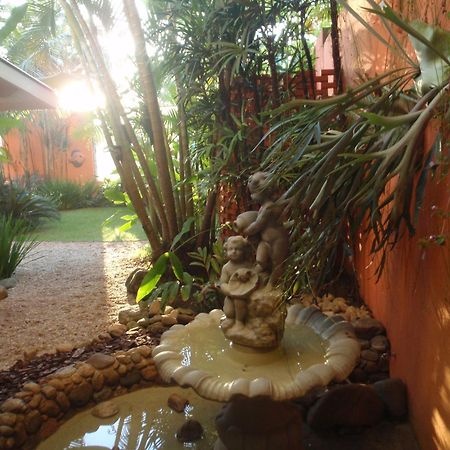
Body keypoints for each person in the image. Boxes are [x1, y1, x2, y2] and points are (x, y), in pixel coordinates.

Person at [241, 171, 289, 285]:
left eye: (253, 193)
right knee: (260, 260)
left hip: (277, 240)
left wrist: (245, 231)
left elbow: (258, 225)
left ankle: (271, 285)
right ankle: (255, 277)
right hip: (265, 240)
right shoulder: (264, 206)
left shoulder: (269, 207)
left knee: (277, 264)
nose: (252, 196)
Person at [219, 236, 255, 330]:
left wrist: (247, 277)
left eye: (237, 249)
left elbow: (255, 278)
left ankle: (240, 322)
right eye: (231, 249)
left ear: (244, 251)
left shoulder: (248, 265)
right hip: (231, 295)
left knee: (240, 302)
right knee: (229, 312)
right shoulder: (226, 268)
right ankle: (231, 319)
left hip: (245, 294)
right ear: (226, 250)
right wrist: (229, 291)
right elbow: (222, 283)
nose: (234, 251)